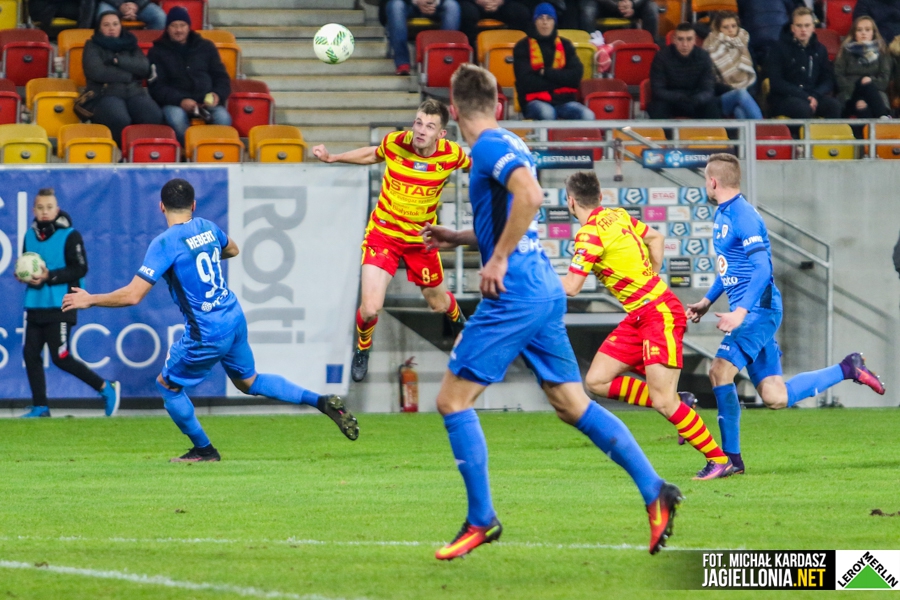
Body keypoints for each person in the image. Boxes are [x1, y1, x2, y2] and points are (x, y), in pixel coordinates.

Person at [419, 64, 682, 560]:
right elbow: (516, 214)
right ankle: (656, 490)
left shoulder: (488, 148)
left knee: (453, 401)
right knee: (571, 404)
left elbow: (531, 196)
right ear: (498, 104)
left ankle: (481, 519)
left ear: (453, 110)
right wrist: (460, 237)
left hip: (515, 293)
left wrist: (497, 258)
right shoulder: (512, 142)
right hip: (542, 289)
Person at [62, 179, 359, 462]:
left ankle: (204, 451)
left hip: (207, 331)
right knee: (249, 381)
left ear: (161, 206)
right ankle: (320, 401)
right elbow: (233, 249)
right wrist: (201, 254)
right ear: (193, 205)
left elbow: (132, 295)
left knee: (167, 386)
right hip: (232, 316)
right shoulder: (207, 227)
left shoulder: (165, 243)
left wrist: (90, 299)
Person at [685, 154, 886, 474]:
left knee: (719, 371)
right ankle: (847, 368)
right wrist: (707, 301)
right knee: (775, 396)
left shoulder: (743, 216)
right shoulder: (724, 213)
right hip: (752, 311)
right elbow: (731, 269)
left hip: (758, 311)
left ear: (712, 181)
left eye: (705, 181)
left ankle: (728, 460)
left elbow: (763, 269)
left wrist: (740, 312)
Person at [560, 171, 733, 481]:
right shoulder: (617, 215)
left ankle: (718, 460)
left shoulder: (588, 234)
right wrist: (651, 274)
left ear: (570, 201)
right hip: (640, 315)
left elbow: (571, 287)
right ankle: (680, 401)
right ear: (599, 197)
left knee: (664, 401)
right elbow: (656, 238)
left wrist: (530, 281)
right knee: (597, 381)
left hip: (658, 314)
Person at [312, 100, 469, 383]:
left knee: (438, 303)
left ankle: (460, 323)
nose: (420, 130)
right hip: (384, 233)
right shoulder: (396, 142)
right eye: (418, 122)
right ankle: (363, 348)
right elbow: (372, 154)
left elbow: (479, 167)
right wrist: (333, 157)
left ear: (441, 133)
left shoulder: (452, 155)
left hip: (422, 238)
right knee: (370, 308)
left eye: (429, 126)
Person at [16, 189, 120, 419]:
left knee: (60, 356)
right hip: (35, 303)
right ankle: (40, 407)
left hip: (61, 304)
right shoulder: (29, 236)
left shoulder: (70, 235)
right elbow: (27, 265)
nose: (44, 212)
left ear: (57, 209)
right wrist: (24, 276)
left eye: (49, 207)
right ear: (33, 210)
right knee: (30, 354)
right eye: (40, 207)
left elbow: (80, 268)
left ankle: (105, 387)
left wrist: (49, 276)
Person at [147, 7, 231, 145]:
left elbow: (221, 77)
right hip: (175, 103)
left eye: (182, 25)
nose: (178, 30)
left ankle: (210, 152)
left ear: (189, 27)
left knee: (223, 119)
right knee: (177, 120)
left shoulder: (206, 47)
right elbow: (157, 87)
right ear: (167, 28)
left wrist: (217, 94)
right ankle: (191, 152)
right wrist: (181, 100)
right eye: (174, 26)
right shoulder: (157, 52)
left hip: (205, 101)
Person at [83, 11, 163, 147]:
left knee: (153, 115)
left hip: (134, 92)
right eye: (106, 25)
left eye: (115, 24)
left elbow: (144, 67)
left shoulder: (130, 43)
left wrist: (117, 60)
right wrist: (129, 75)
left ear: (121, 26)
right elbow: (97, 72)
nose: (111, 28)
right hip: (106, 93)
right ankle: (123, 152)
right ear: (99, 28)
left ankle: (141, 152)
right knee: (119, 119)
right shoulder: (92, 45)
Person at [512, 3, 594, 121]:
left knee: (587, 115)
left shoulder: (566, 45)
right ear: (534, 22)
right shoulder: (522, 47)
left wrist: (546, 73)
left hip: (564, 101)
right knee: (547, 113)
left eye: (549, 18)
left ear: (554, 22)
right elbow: (526, 82)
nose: (545, 22)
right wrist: (562, 81)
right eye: (540, 18)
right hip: (534, 101)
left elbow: (575, 77)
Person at [765, 7, 841, 119]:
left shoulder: (820, 49)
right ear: (792, 28)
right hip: (784, 98)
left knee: (834, 106)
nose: (803, 30)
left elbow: (828, 80)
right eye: (799, 26)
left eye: (807, 25)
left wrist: (815, 95)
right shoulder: (778, 48)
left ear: (813, 27)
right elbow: (776, 82)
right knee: (802, 108)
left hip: (813, 95)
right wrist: (804, 96)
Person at [648, 23, 721, 119]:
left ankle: (715, 130)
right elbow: (658, 90)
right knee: (658, 107)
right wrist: (680, 97)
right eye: (680, 39)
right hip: (670, 100)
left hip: (695, 100)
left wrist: (698, 99)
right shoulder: (662, 57)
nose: (685, 44)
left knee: (711, 105)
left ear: (695, 40)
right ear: (674, 40)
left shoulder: (703, 56)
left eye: (689, 39)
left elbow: (708, 89)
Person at [703, 11, 763, 120]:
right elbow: (710, 82)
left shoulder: (744, 42)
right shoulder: (710, 47)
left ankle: (749, 131)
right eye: (726, 27)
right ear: (718, 29)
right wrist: (732, 89)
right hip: (722, 96)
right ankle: (761, 126)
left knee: (739, 110)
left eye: (733, 26)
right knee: (740, 94)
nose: (730, 30)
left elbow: (753, 73)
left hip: (748, 93)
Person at [381, 0, 461, 76]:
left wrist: (434, 2)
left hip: (437, 5)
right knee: (396, 6)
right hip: (408, 4)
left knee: (452, 6)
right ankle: (402, 62)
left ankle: (445, 59)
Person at [834, 15, 892, 119]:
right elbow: (839, 77)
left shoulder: (882, 52)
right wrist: (860, 88)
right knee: (863, 90)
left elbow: (884, 81)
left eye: (867, 30)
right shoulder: (844, 52)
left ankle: (879, 121)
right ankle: (883, 116)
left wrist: (868, 84)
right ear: (854, 33)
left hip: (875, 94)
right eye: (859, 30)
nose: (863, 33)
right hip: (850, 94)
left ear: (873, 33)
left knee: (864, 106)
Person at [459, 0, 532, 48]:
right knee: (468, 13)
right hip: (473, 4)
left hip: (501, 4)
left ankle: (512, 49)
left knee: (521, 13)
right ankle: (472, 49)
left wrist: (501, 1)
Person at [580, 0, 659, 43]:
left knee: (651, 7)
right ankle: (592, 45)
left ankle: (649, 46)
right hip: (605, 5)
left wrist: (632, 3)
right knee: (587, 10)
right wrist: (616, 5)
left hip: (632, 6)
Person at [29, 0, 95, 36]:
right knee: (90, 10)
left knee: (91, 7)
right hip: (46, 7)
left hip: (57, 5)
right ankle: (83, 36)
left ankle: (84, 35)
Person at [96, 0, 166, 30]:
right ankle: (106, 49)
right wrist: (120, 5)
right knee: (103, 17)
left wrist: (136, 6)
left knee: (159, 17)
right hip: (112, 3)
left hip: (138, 4)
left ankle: (148, 48)